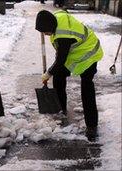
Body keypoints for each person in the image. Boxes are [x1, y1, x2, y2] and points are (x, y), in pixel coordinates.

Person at [35, 10, 103, 141]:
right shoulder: (57, 19)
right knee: (59, 77)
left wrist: (48, 73)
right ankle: (61, 109)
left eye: (45, 31)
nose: (44, 34)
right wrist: (54, 70)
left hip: (89, 53)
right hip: (73, 53)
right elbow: (61, 54)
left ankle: (92, 126)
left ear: (51, 26)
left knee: (86, 88)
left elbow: (61, 59)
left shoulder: (63, 36)